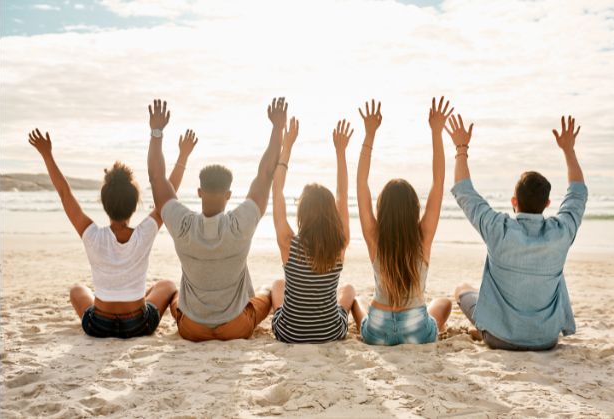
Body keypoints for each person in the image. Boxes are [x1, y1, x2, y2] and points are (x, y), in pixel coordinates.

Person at [27, 126, 196, 338]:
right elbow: (167, 196)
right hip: (138, 324)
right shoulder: (145, 233)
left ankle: (118, 299)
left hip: (99, 325)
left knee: (78, 290)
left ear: (104, 204)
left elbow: (64, 193)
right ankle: (133, 297)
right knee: (167, 285)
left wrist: (47, 154)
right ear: (135, 205)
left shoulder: (92, 234)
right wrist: (183, 155)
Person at [147, 98, 288, 342]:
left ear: (199, 192)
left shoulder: (183, 224)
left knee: (175, 297)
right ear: (229, 195)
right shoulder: (240, 224)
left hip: (192, 329)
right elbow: (265, 174)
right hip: (236, 327)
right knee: (266, 294)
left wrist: (156, 132)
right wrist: (277, 128)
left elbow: (157, 178)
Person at [449, 114, 587, 351]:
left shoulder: (498, 229)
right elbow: (577, 194)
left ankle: (482, 330)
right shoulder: (561, 233)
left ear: (514, 201)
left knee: (462, 289)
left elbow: (465, 192)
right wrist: (568, 151)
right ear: (547, 204)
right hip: (546, 340)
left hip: (500, 338)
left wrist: (461, 148)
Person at [355, 98, 454, 346]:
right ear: (414, 208)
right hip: (416, 330)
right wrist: (436, 133)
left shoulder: (373, 235)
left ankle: (369, 321)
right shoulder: (423, 236)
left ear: (382, 208)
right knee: (444, 304)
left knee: (359, 302)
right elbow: (438, 183)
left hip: (377, 330)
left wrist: (369, 135)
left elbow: (361, 185)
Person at [269, 118, 365, 343]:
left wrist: (287, 147)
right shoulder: (340, 243)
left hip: (289, 334)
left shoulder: (288, 243)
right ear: (331, 212)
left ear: (302, 212)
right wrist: (341, 153)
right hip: (330, 333)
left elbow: (277, 190)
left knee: (277, 285)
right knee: (348, 290)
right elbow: (342, 195)